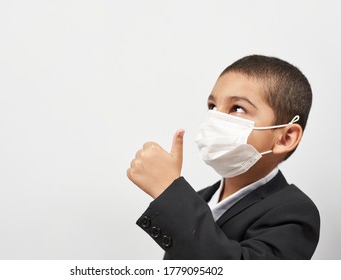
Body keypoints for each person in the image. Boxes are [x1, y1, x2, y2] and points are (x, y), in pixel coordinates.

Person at [126, 55, 320, 260]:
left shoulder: (294, 212)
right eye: (213, 107)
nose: (215, 119)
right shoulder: (199, 198)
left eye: (237, 108)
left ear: (285, 138)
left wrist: (168, 191)